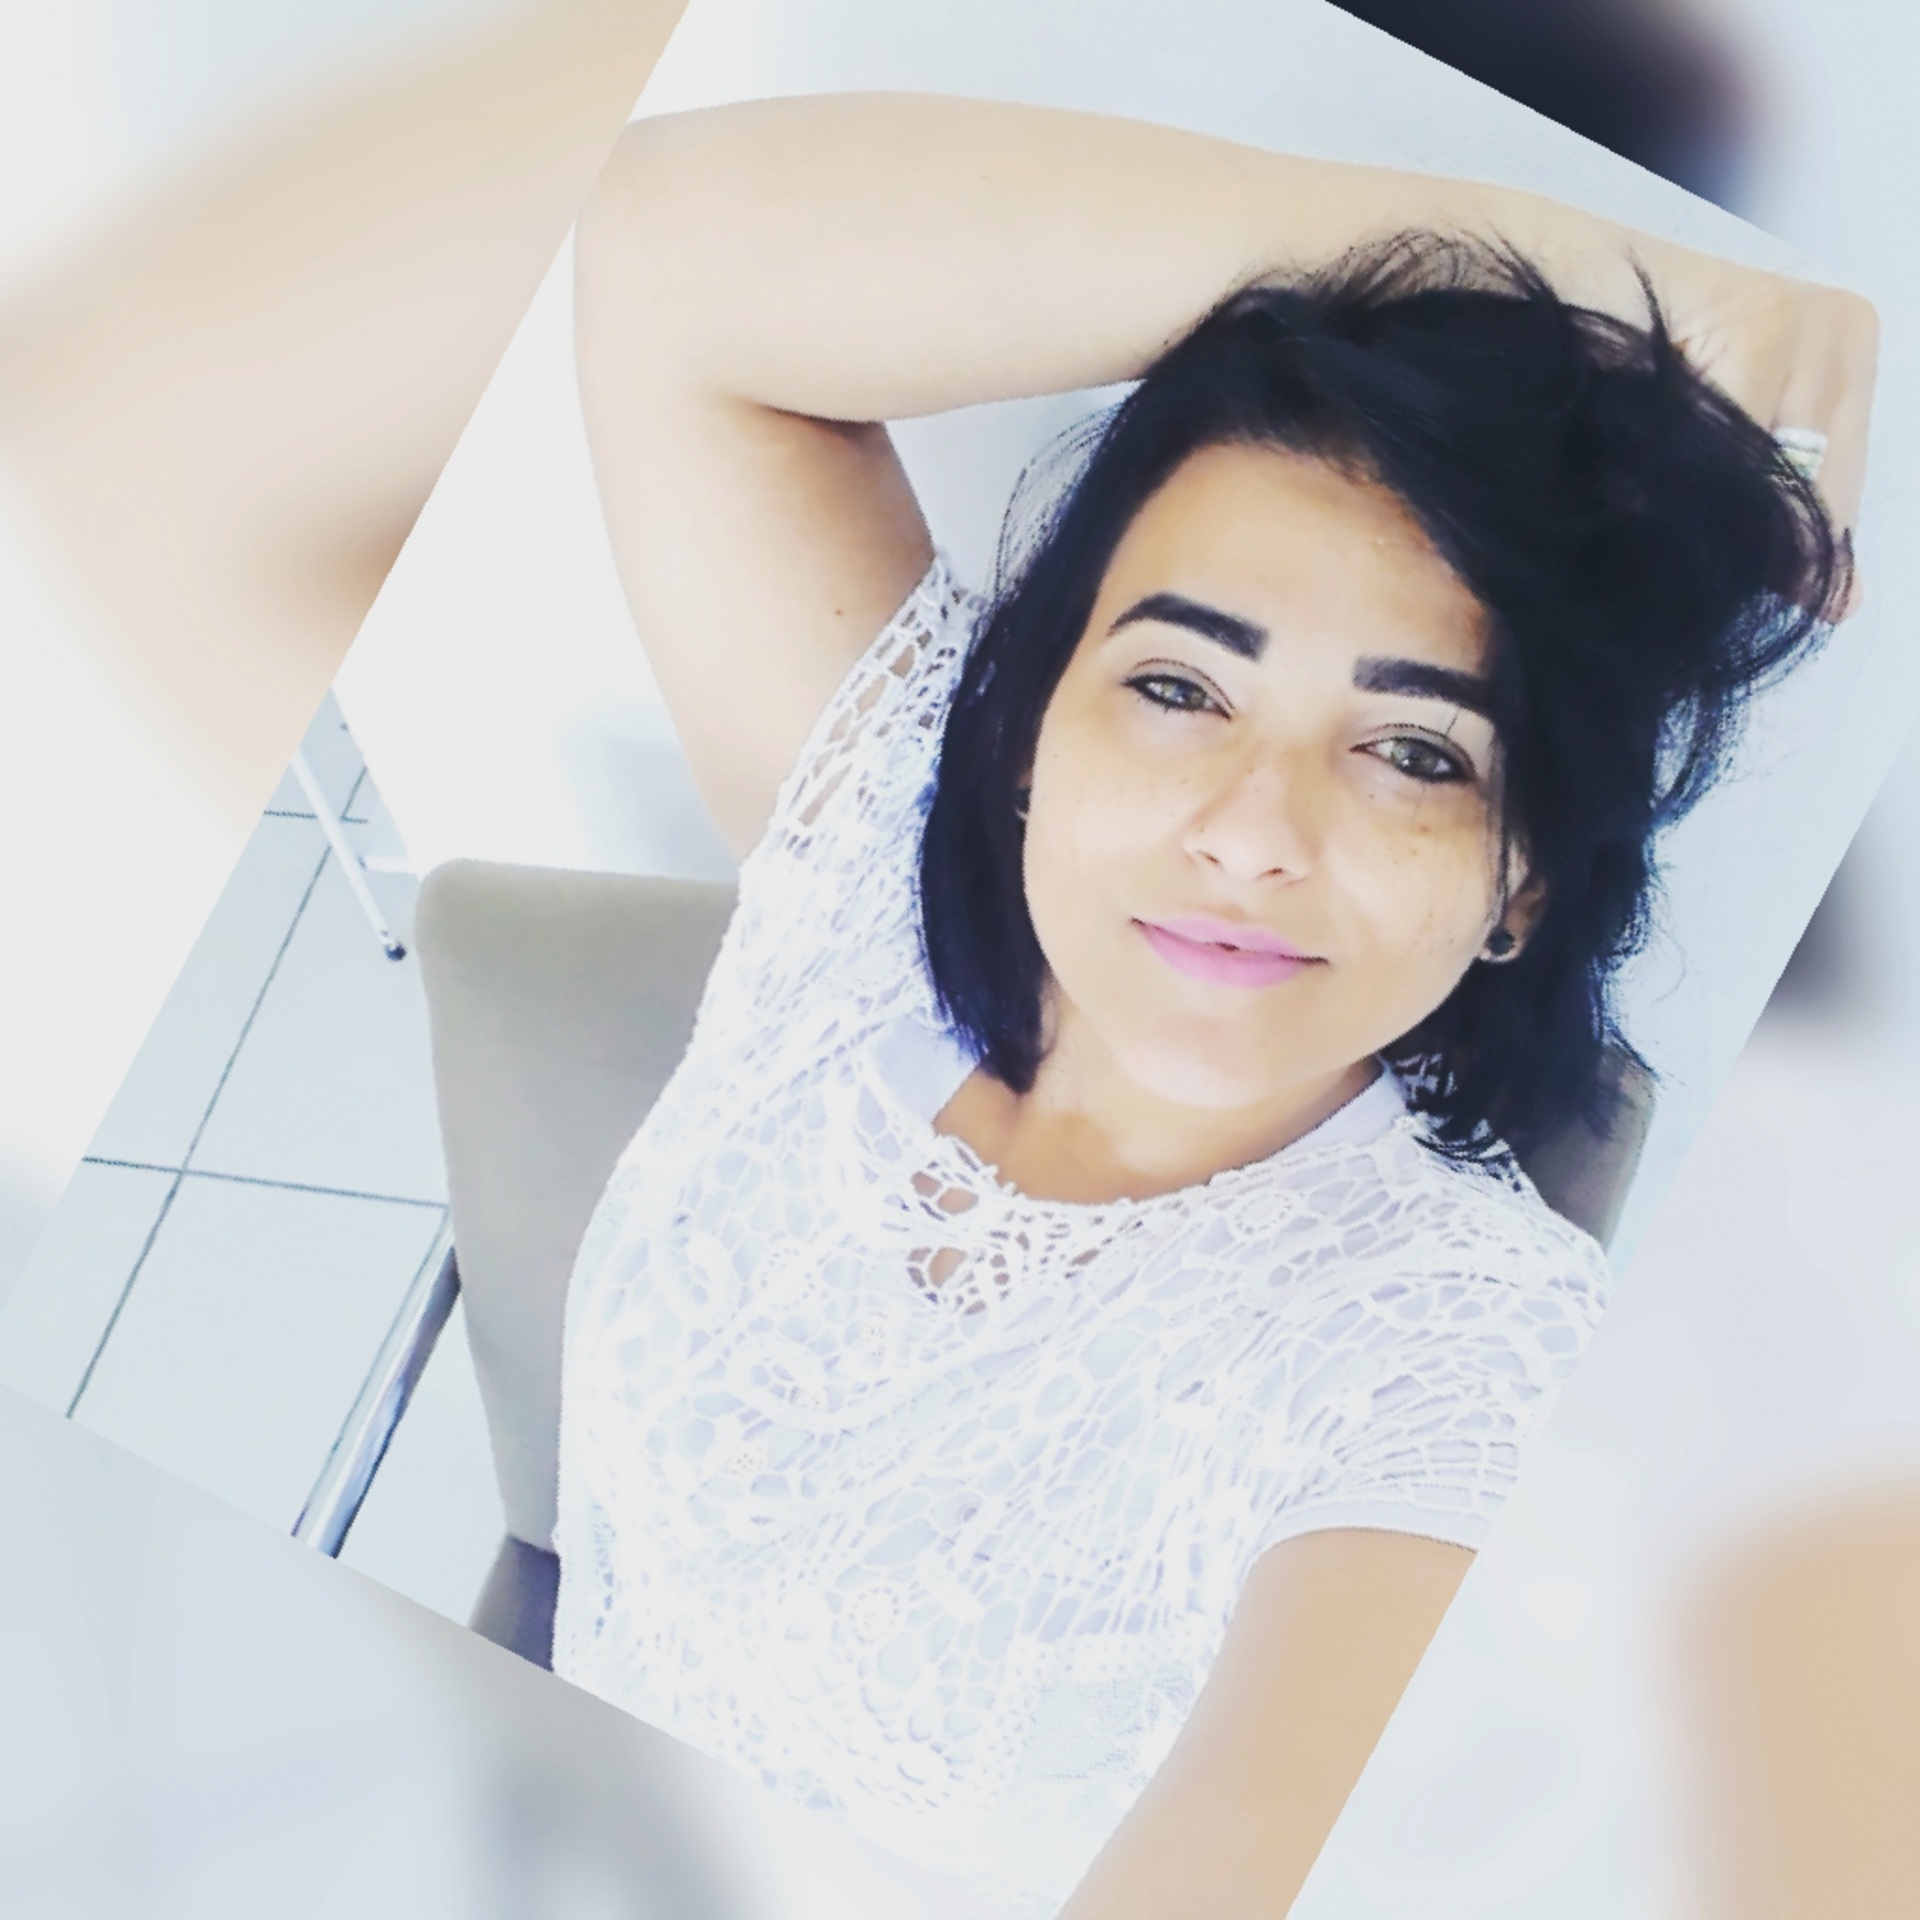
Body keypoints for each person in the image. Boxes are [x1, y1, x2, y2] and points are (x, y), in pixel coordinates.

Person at [552, 93, 1875, 1918]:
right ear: (1031, 729)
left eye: (1414, 749)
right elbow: (663, 242)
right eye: (1180, 688)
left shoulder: (1454, 1357)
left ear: (1520, 881)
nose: (1256, 831)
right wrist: (1593, 292)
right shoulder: (859, 876)